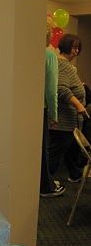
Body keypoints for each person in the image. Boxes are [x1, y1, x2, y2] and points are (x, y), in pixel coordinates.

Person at [48, 33, 88, 183]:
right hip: (63, 123)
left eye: (78, 48)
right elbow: (61, 89)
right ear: (65, 47)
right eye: (74, 47)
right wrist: (79, 105)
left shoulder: (65, 66)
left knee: (68, 152)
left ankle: (75, 175)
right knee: (54, 156)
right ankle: (46, 186)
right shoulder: (64, 65)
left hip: (68, 123)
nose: (76, 51)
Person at [40, 20, 65, 197]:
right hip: (40, 108)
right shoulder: (49, 55)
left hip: (24, 108)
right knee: (43, 150)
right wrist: (54, 114)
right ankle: (46, 186)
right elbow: (51, 89)